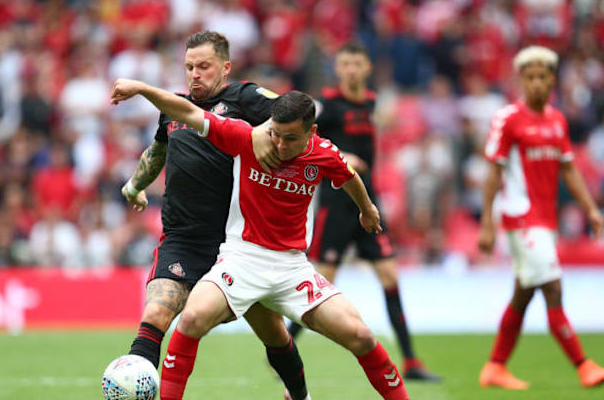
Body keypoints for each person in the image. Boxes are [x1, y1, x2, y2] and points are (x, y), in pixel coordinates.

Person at [111, 81, 410, 400]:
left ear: (312, 131)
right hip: (241, 259)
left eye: (290, 138)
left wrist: (367, 210)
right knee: (192, 318)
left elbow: (349, 176)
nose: (279, 146)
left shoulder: (323, 153)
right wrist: (142, 89)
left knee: (361, 335)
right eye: (275, 135)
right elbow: (186, 111)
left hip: (292, 269)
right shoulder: (245, 137)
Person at [119, 31, 310, 400]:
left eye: (203, 66)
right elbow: (157, 152)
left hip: (237, 243)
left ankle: (300, 396)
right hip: (182, 239)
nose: (195, 74)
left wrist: (262, 132)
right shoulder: (174, 107)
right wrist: (134, 185)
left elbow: (297, 112)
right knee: (156, 314)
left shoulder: (244, 98)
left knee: (273, 332)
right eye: (189, 66)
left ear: (225, 67)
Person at [286, 43, 440, 381]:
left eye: (357, 63)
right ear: (338, 69)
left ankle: (411, 361)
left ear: (367, 67)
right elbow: (306, 145)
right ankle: (282, 347)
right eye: (346, 64)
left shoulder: (371, 103)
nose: (352, 70)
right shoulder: (327, 108)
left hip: (369, 203)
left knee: (390, 278)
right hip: (337, 206)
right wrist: (341, 156)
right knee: (321, 283)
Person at [477, 45, 604, 389]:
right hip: (521, 219)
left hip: (546, 221)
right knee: (552, 287)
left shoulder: (557, 120)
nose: (536, 83)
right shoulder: (508, 118)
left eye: (542, 77)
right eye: (530, 77)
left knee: (524, 294)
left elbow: (569, 170)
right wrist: (487, 223)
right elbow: (492, 173)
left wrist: (592, 210)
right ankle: (583, 365)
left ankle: (495, 367)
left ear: (552, 79)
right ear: (521, 79)